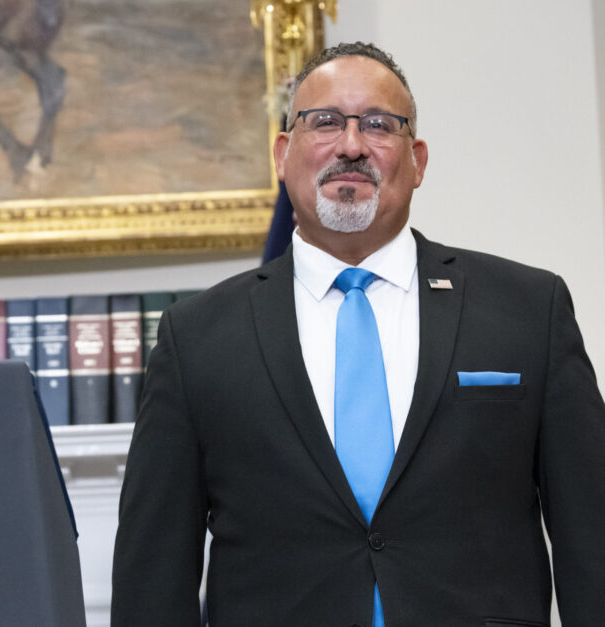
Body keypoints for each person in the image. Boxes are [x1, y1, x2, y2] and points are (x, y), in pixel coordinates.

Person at [112, 42, 605, 625]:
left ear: (418, 160)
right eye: (323, 122)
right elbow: (153, 575)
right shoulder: (196, 339)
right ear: (282, 153)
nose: (350, 145)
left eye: (378, 125)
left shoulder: (528, 309)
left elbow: (591, 537)